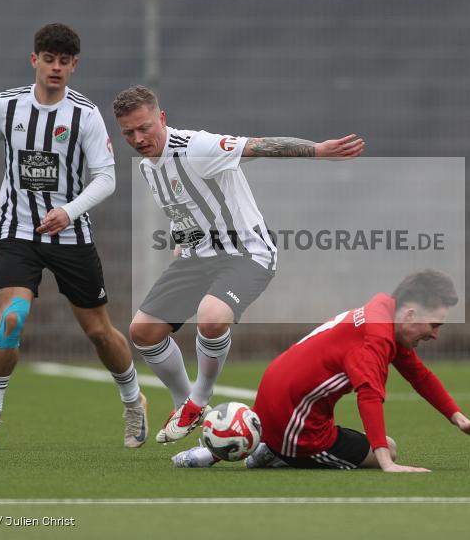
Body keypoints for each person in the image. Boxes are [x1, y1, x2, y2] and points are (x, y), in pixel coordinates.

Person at [112, 85, 365, 444]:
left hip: (247, 253)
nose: (138, 139)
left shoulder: (196, 148)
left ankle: (200, 397)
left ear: (162, 119)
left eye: (144, 128)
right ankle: (185, 401)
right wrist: (181, 241)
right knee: (143, 331)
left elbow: (258, 145)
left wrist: (317, 150)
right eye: (128, 133)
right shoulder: (149, 167)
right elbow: (183, 208)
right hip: (197, 256)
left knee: (212, 317)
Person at [0, 23, 147, 450]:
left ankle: (133, 401)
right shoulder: (5, 107)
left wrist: (69, 211)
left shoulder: (84, 114)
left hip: (71, 237)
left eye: (64, 62)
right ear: (35, 60)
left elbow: (106, 178)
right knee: (11, 319)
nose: (55, 68)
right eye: (49, 59)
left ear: (74, 66)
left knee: (100, 332)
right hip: (17, 232)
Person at [172, 269, 470, 472]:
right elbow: (370, 396)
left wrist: (459, 419)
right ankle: (274, 451)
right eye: (434, 324)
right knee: (389, 445)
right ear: (411, 313)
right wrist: (386, 462)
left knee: (353, 433)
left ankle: (256, 446)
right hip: (295, 425)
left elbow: (419, 375)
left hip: (274, 400)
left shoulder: (381, 312)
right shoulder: (375, 341)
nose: (435, 333)